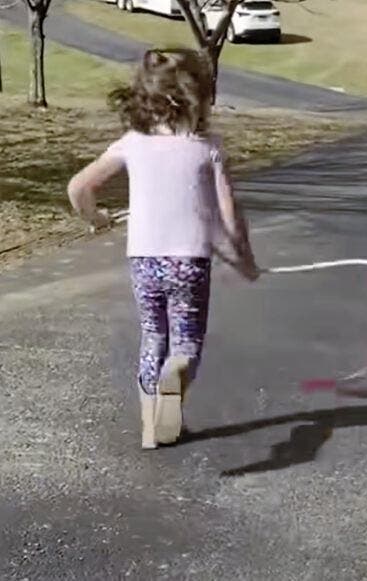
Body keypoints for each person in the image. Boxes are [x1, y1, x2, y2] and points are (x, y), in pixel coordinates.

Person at [67, 48, 259, 450]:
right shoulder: (208, 147)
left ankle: (151, 428)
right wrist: (244, 261)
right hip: (189, 262)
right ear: (200, 96)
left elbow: (79, 187)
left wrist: (95, 219)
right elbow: (229, 220)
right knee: (185, 343)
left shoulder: (132, 142)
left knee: (153, 335)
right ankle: (180, 370)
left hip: (144, 260)